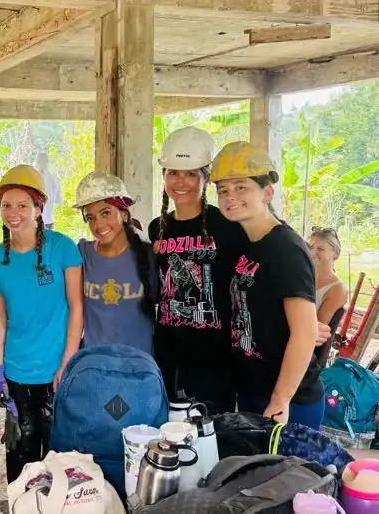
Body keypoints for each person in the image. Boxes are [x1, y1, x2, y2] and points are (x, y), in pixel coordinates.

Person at [212, 141, 323, 429]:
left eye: (241, 187)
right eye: (223, 190)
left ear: (267, 192)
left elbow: (305, 332)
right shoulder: (247, 244)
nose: (230, 197)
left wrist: (280, 400)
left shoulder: (285, 248)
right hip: (253, 392)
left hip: (289, 401)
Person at [0, 165, 83, 483]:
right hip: (17, 374)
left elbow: (76, 306)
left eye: (23, 205)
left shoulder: (62, 247)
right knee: (21, 460)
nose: (13, 213)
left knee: (59, 458)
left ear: (39, 208)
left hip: (57, 371)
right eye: (6, 205)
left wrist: (68, 361)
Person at [148, 126, 245, 413]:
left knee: (211, 438)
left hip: (214, 358)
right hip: (168, 353)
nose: (181, 182)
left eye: (191, 173)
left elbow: (257, 278)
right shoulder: (158, 228)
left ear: (205, 177)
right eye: (173, 172)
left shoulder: (228, 227)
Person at [74, 172, 157, 354]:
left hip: (138, 366)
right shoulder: (82, 254)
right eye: (91, 217)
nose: (98, 224)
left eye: (106, 213)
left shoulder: (148, 255)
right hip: (93, 364)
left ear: (124, 214)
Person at [307, 227, 348, 324]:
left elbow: (318, 329)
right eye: (310, 248)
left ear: (335, 253)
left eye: (320, 249)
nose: (312, 253)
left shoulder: (338, 290)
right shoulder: (302, 277)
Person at [36, 152, 63, 231]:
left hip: (49, 218)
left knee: (46, 242)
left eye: (46, 161)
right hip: (40, 218)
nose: (45, 163)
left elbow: (58, 199)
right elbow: (59, 199)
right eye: (43, 161)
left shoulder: (53, 178)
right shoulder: (35, 177)